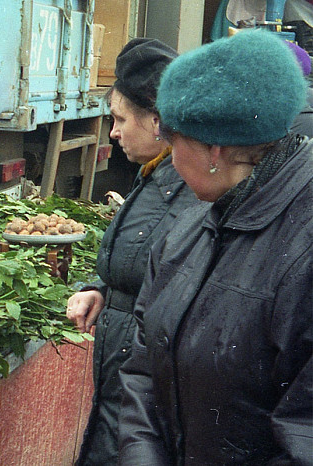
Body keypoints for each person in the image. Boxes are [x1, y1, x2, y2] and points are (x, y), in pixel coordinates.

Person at [119, 28, 312, 465]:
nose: (168, 156)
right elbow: (143, 365)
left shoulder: (303, 251)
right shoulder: (194, 219)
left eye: (172, 141)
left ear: (214, 149)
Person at [65, 38, 202, 465]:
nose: (113, 131)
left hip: (139, 383)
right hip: (121, 374)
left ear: (158, 121)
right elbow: (141, 263)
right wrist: (102, 289)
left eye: (121, 119)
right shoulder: (154, 174)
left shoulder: (188, 190)